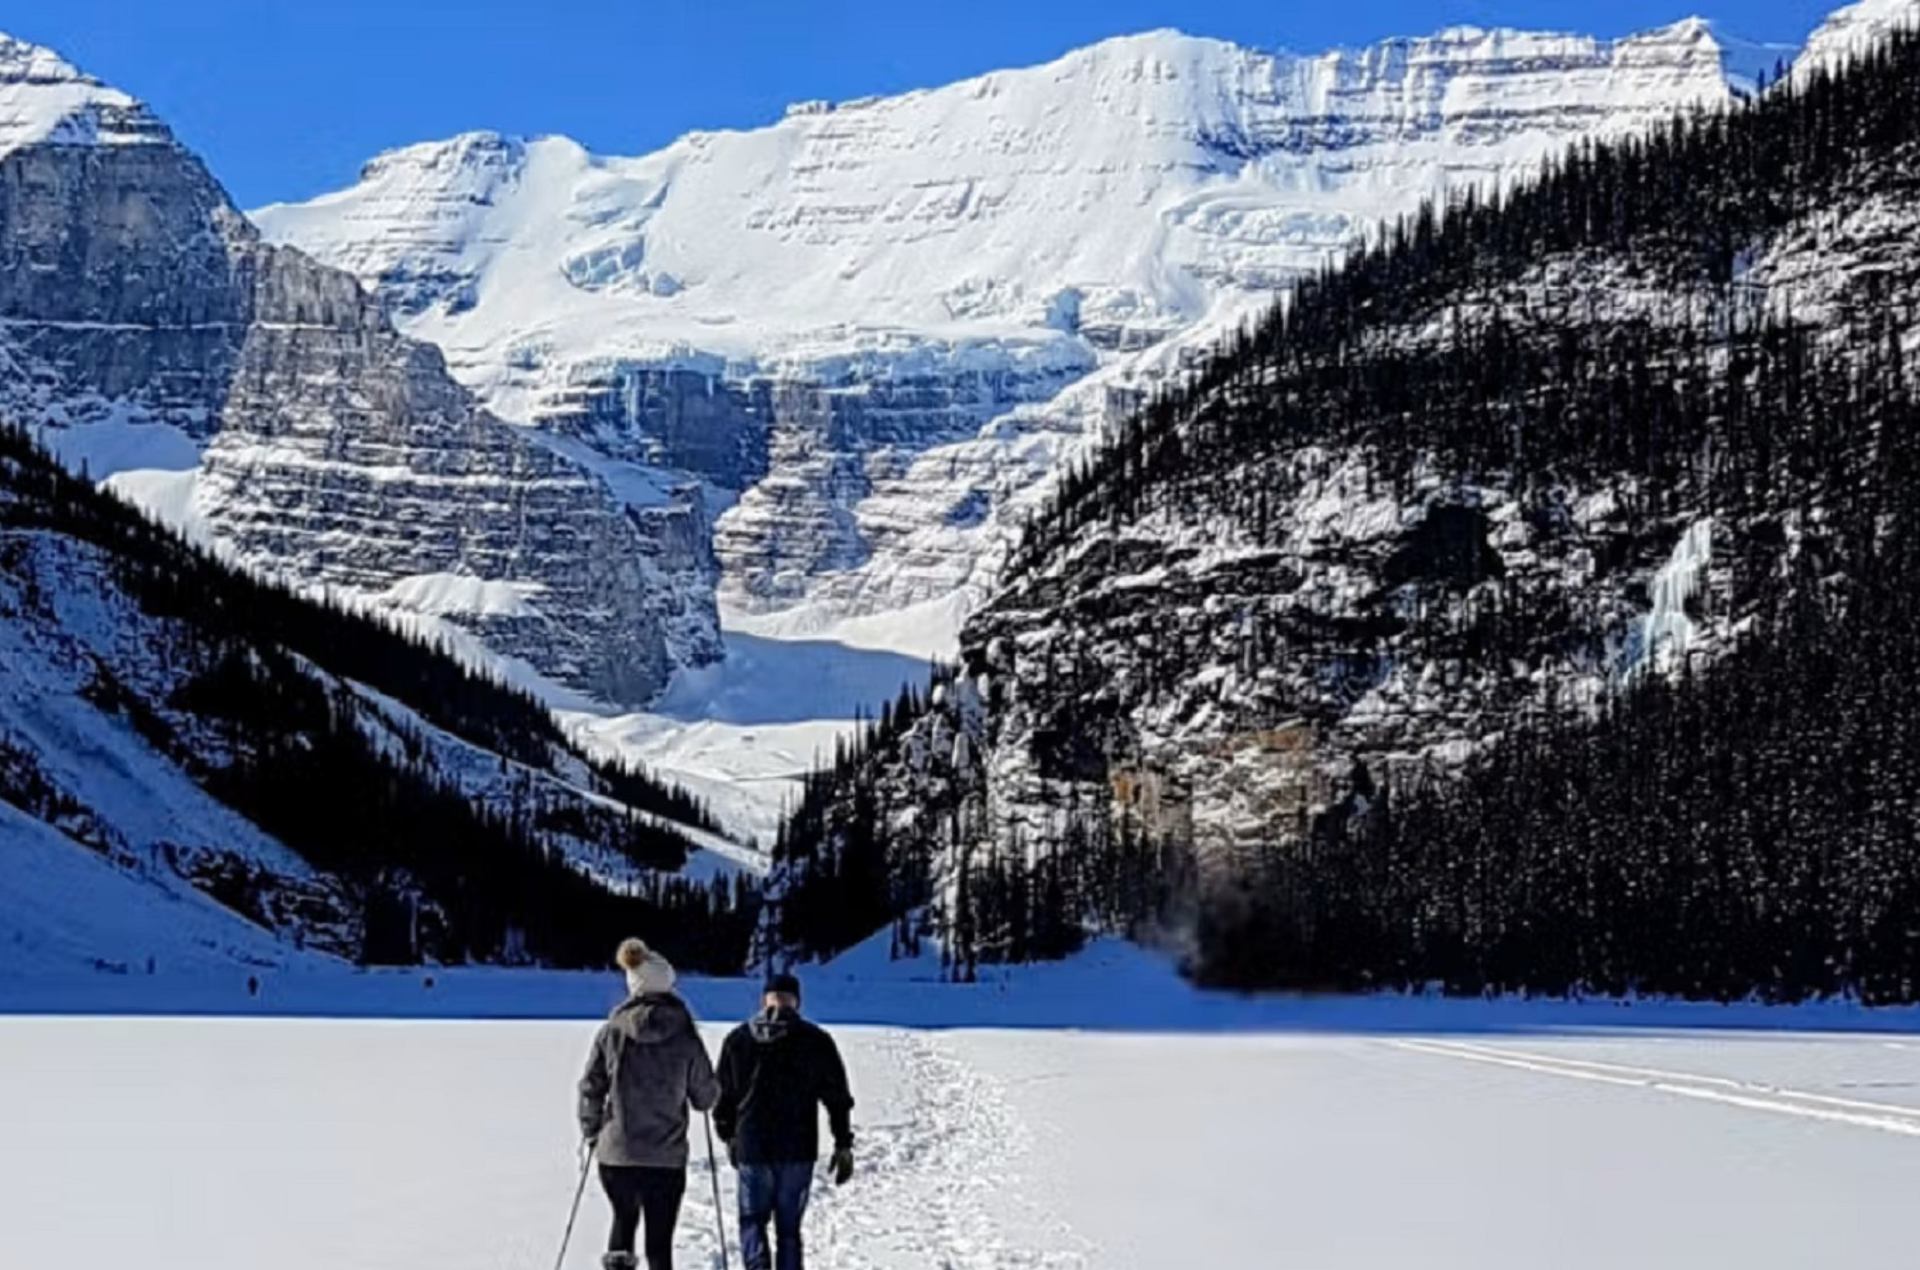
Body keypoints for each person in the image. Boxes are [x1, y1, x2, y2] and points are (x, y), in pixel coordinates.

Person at [579, 939, 719, 1270]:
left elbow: (591, 1087)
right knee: (659, 1243)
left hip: (617, 1152)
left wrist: (592, 1129)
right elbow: (705, 1097)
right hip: (665, 1157)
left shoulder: (612, 1032)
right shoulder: (686, 1035)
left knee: (622, 1223)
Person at [713, 972, 855, 1270]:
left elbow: (723, 1096)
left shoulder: (739, 1040)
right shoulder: (816, 1040)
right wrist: (842, 1142)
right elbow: (837, 1097)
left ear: (764, 999)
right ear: (797, 1002)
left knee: (753, 1221)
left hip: (752, 1145)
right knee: (788, 1230)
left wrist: (727, 1134)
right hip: (798, 1148)